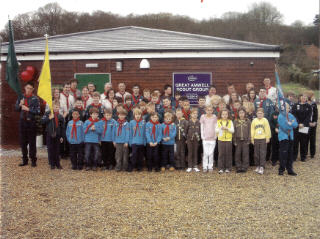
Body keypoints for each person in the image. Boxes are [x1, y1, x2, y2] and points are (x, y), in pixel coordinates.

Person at [15, 82, 40, 167]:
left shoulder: (35, 99)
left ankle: (33, 160)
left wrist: (28, 109)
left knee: (32, 143)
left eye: (30, 88)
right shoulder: (21, 97)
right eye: (27, 88)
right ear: (25, 88)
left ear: (33, 89)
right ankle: (25, 160)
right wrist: (20, 104)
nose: (28, 90)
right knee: (23, 143)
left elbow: (38, 111)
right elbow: (16, 109)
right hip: (22, 123)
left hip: (31, 123)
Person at [42, 100, 64, 169]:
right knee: (50, 149)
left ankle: (57, 163)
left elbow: (63, 127)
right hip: (49, 134)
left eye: (57, 107)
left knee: (57, 149)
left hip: (57, 135)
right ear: (52, 107)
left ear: (59, 107)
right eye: (54, 107)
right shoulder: (47, 113)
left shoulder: (60, 116)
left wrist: (62, 136)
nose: (56, 108)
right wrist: (49, 118)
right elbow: (42, 121)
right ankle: (52, 164)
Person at [278, 103, 298, 176]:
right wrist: (290, 125)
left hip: (290, 137)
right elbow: (283, 126)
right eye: (285, 108)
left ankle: (290, 169)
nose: (287, 109)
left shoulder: (291, 116)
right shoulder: (280, 116)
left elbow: (295, 125)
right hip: (284, 137)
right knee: (283, 154)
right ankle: (281, 169)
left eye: (288, 108)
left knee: (290, 154)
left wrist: (290, 124)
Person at [291, 94, 312, 162]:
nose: (303, 98)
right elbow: (294, 114)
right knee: (295, 142)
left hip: (304, 127)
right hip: (297, 126)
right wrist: (298, 123)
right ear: (300, 98)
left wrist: (303, 124)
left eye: (305, 97)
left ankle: (303, 157)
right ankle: (294, 156)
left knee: (304, 142)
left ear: (306, 98)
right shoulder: (295, 105)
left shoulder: (309, 106)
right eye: (302, 97)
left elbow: (309, 116)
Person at [251, 108, 271, 175]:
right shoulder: (254, 121)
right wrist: (252, 138)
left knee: (262, 153)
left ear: (263, 114)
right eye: (258, 113)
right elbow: (252, 130)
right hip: (256, 138)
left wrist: (267, 137)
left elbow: (267, 129)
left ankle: (262, 166)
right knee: (256, 153)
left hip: (263, 138)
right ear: (256, 114)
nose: (259, 115)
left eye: (261, 113)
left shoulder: (265, 120)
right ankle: (257, 165)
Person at [216, 108, 234, 174]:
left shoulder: (230, 121)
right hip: (221, 140)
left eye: (226, 114)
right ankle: (221, 168)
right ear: (220, 115)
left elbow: (232, 130)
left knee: (228, 154)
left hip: (228, 140)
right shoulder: (218, 121)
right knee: (221, 154)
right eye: (223, 114)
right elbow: (216, 130)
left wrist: (227, 128)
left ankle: (228, 168)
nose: (224, 115)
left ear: (228, 115)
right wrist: (221, 128)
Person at [200, 105, 217, 172]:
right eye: (208, 110)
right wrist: (202, 135)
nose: (209, 111)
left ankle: (210, 166)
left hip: (212, 138)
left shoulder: (214, 117)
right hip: (205, 138)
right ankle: (205, 166)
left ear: (212, 111)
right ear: (205, 110)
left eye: (210, 110)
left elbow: (216, 126)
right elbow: (202, 127)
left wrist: (216, 135)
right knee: (205, 153)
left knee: (211, 153)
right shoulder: (203, 117)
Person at [233, 107, 251, 173]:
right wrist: (234, 140)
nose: (241, 114)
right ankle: (238, 166)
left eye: (242, 113)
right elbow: (234, 131)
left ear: (245, 113)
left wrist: (249, 139)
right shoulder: (235, 121)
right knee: (237, 154)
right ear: (238, 113)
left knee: (245, 154)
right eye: (240, 113)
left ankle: (244, 167)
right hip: (238, 140)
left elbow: (250, 131)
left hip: (245, 140)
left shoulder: (248, 121)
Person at [186, 108, 201, 172]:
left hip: (196, 140)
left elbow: (200, 131)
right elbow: (186, 131)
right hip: (189, 140)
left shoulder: (199, 122)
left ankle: (195, 166)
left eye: (196, 114)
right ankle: (189, 166)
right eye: (193, 113)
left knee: (195, 152)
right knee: (190, 152)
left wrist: (199, 138)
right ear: (191, 115)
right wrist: (186, 139)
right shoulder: (188, 122)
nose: (195, 115)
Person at [307, 92, 318, 159]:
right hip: (306, 124)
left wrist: (315, 122)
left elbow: (316, 114)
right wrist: (308, 122)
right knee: (305, 139)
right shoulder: (305, 104)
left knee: (312, 139)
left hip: (313, 124)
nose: (314, 97)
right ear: (310, 96)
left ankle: (312, 153)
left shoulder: (314, 105)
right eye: (313, 96)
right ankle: (304, 153)